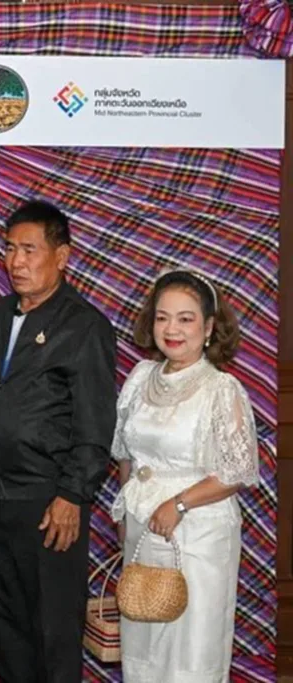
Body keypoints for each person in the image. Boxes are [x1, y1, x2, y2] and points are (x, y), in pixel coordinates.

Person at [0, 200, 117, 682]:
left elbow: (96, 425)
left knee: (53, 635)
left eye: (29, 250)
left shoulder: (84, 326)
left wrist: (72, 495)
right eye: (9, 249)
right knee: (8, 632)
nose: (16, 261)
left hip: (49, 505)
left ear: (62, 256)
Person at [111, 270, 258, 681]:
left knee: (191, 647)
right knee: (143, 639)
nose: (171, 329)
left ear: (209, 327)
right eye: (162, 318)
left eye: (185, 319)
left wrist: (178, 504)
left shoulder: (221, 389)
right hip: (143, 526)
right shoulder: (141, 377)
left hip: (199, 532)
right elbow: (125, 453)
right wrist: (124, 515)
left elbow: (236, 471)